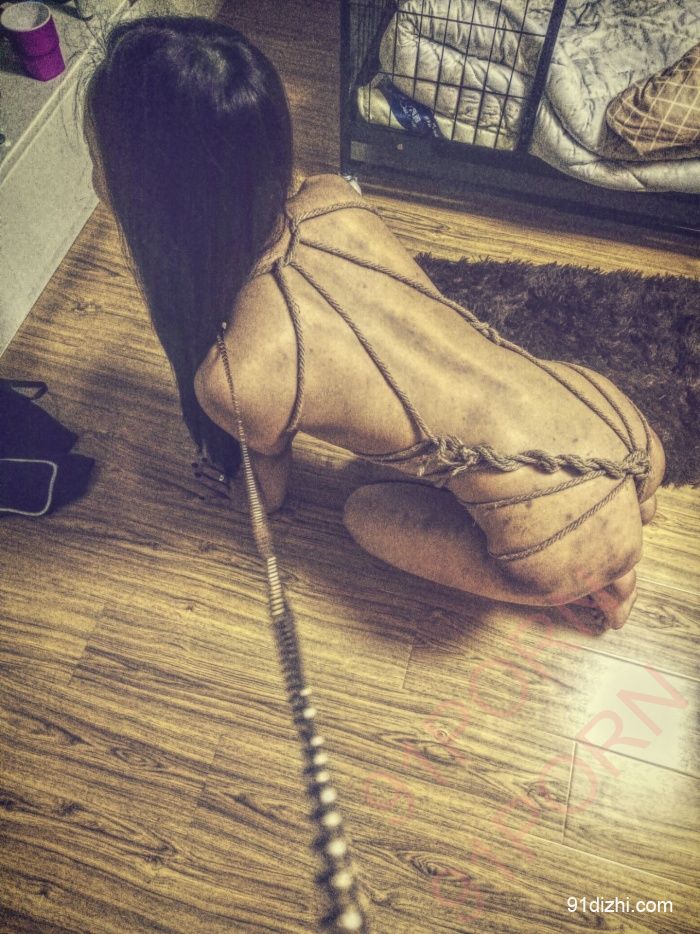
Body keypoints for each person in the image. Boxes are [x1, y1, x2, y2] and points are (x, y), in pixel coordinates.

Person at [81, 15, 665, 632]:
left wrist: (230, 487)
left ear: (156, 197)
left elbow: (267, 502)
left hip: (551, 535)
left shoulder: (234, 376)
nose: (96, 179)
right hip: (617, 424)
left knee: (363, 512)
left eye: (101, 161)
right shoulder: (334, 196)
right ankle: (622, 528)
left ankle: (602, 577)